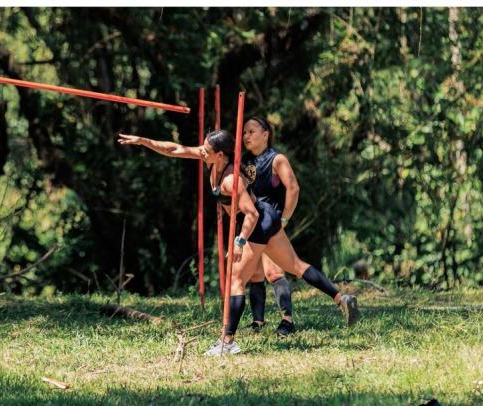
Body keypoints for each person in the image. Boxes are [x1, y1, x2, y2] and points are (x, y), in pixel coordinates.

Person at [118, 130, 360, 355]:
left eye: (206, 149)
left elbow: (251, 215)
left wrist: (240, 241)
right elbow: (176, 149)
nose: (201, 151)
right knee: (296, 265)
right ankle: (341, 298)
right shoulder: (212, 160)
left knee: (235, 281)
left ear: (220, 155)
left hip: (255, 224)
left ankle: (227, 342)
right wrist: (144, 142)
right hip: (266, 218)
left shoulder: (231, 180)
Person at [239, 116, 360, 337]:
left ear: (265, 134)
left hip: (269, 222)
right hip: (255, 222)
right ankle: (258, 323)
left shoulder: (277, 159)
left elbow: (293, 188)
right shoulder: (245, 162)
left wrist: (283, 219)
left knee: (276, 271)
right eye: (244, 132)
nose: (246, 136)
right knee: (258, 273)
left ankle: (288, 321)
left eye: (251, 131)